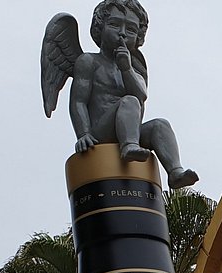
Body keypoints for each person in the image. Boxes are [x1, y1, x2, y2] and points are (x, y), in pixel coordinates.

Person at [42, 0, 198, 188]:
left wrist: (126, 68)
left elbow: (141, 95)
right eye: (115, 25)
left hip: (129, 128)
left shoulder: (134, 65)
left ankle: (175, 172)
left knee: (160, 125)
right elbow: (78, 101)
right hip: (101, 132)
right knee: (129, 101)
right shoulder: (88, 61)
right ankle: (129, 146)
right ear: (100, 28)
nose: (122, 33)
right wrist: (83, 133)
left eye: (131, 29)